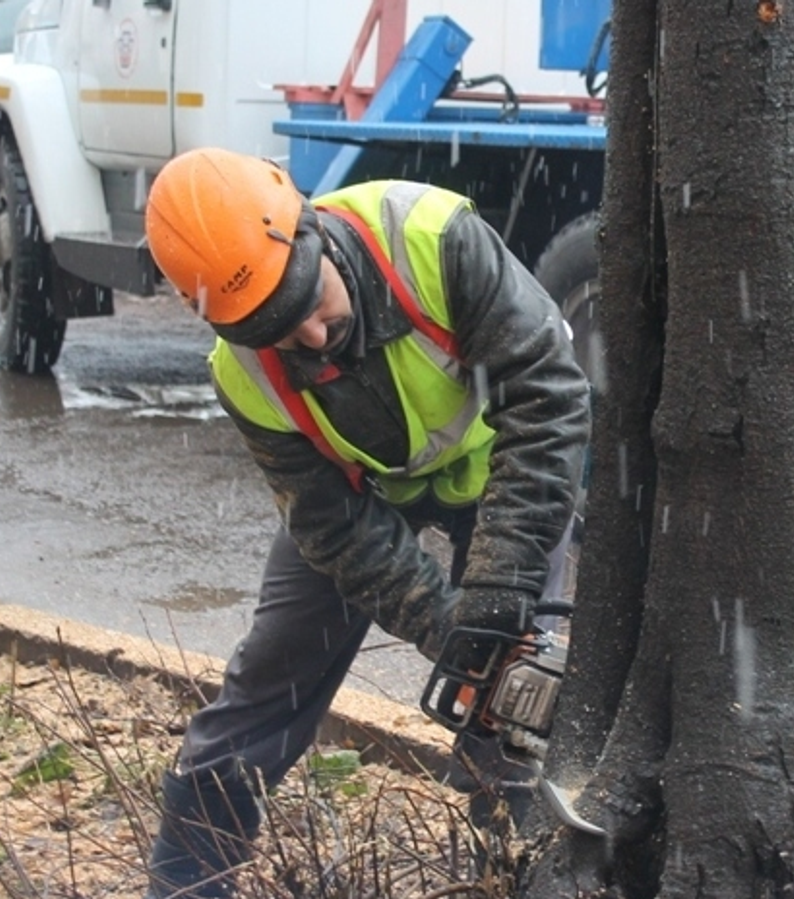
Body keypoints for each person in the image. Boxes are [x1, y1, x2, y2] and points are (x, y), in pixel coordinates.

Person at [140, 147, 590, 898]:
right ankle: (186, 883)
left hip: (503, 475)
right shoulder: (241, 372)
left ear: (310, 228)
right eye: (281, 332)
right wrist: (441, 625)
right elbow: (332, 527)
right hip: (362, 492)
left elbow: (549, 398)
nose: (313, 338)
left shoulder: (431, 239)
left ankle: (517, 874)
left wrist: (500, 588)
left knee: (513, 702)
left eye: (311, 300)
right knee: (264, 686)